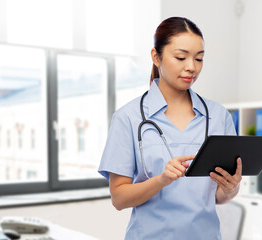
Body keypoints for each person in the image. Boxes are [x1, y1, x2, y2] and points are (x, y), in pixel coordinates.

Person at [98, 16, 242, 239]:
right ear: (156, 57)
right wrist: (161, 180)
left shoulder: (218, 116)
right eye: (181, 57)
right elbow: (119, 198)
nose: (191, 67)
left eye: (199, 59)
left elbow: (217, 196)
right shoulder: (128, 117)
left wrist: (231, 188)